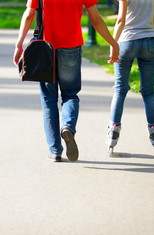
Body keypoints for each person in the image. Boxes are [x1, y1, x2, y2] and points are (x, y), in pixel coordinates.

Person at [13, 0, 120, 162]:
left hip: (45, 48)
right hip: (71, 46)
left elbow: (29, 15)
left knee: (49, 100)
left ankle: (55, 150)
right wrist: (113, 43)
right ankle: (68, 127)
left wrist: (19, 44)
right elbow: (96, 19)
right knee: (70, 94)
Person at [106, 0, 154, 158]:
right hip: (149, 42)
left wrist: (113, 45)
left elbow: (121, 20)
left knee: (120, 90)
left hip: (127, 41)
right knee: (148, 93)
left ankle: (112, 136)